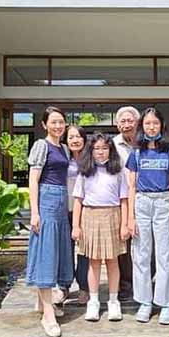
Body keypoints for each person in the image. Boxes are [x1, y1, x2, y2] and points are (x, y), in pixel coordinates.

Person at [125, 107, 169, 325]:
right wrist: (130, 218)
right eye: (147, 124)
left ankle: (167, 303)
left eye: (155, 123)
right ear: (142, 127)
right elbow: (131, 187)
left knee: (165, 254)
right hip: (142, 203)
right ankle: (145, 302)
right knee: (141, 254)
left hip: (163, 204)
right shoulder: (136, 153)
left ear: (161, 126)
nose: (151, 127)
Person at [25, 106, 74, 337]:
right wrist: (34, 212)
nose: (58, 126)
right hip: (45, 201)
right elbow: (33, 181)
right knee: (45, 253)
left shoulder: (63, 148)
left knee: (56, 253)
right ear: (44, 125)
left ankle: (41, 303)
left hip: (61, 203)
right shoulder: (41, 146)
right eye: (53, 122)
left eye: (61, 122)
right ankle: (48, 314)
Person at [71, 132, 130, 322]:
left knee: (112, 261)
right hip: (90, 216)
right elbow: (78, 200)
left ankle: (113, 301)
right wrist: (76, 226)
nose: (101, 152)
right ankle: (94, 301)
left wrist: (125, 224)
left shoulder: (118, 171)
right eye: (97, 148)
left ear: (110, 150)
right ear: (91, 151)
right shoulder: (85, 171)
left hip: (113, 215)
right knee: (94, 262)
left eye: (105, 148)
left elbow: (124, 200)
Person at [111, 106, 140, 302]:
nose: (126, 124)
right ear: (117, 124)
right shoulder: (111, 145)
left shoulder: (146, 143)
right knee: (123, 243)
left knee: (145, 241)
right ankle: (125, 285)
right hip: (120, 199)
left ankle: (145, 281)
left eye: (130, 120)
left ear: (137, 123)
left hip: (145, 198)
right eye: (123, 121)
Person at [64, 124, 91, 305]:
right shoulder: (61, 158)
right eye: (71, 137)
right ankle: (64, 285)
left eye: (78, 136)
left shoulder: (91, 160)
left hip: (86, 210)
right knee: (65, 249)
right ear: (66, 140)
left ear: (84, 139)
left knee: (84, 250)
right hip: (64, 209)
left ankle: (84, 287)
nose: (75, 140)